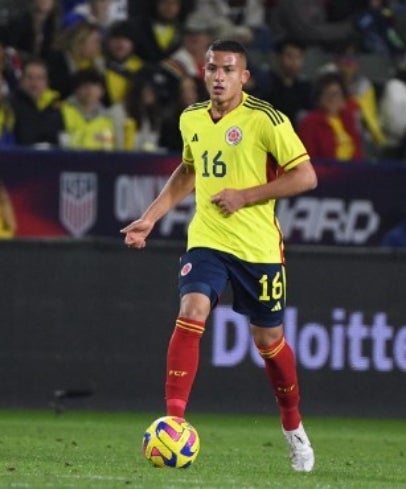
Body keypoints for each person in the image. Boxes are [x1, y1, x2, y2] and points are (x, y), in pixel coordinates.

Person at [121, 39, 317, 472]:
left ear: (244, 76)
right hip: (208, 240)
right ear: (203, 72)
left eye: (228, 69)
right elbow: (189, 169)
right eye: (212, 69)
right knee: (192, 310)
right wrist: (150, 218)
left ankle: (293, 427)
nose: (218, 77)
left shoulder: (266, 120)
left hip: (258, 248)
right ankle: (174, 422)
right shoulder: (191, 117)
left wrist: (247, 195)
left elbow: (306, 176)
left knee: (268, 342)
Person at [298, 71, 365, 161]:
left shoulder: (348, 119)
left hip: (353, 172)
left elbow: (359, 154)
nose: (332, 99)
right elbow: (309, 161)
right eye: (327, 94)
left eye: (336, 94)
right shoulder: (309, 123)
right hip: (326, 173)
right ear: (319, 98)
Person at [10, 57, 64, 147]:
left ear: (47, 82)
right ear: (21, 80)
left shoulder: (56, 107)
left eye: (40, 78)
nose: (34, 83)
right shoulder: (10, 107)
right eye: (29, 77)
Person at [60, 68, 114, 150]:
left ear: (102, 91)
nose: (90, 90)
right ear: (76, 89)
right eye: (85, 86)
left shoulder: (107, 120)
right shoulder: (63, 112)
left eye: (95, 85)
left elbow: (108, 148)